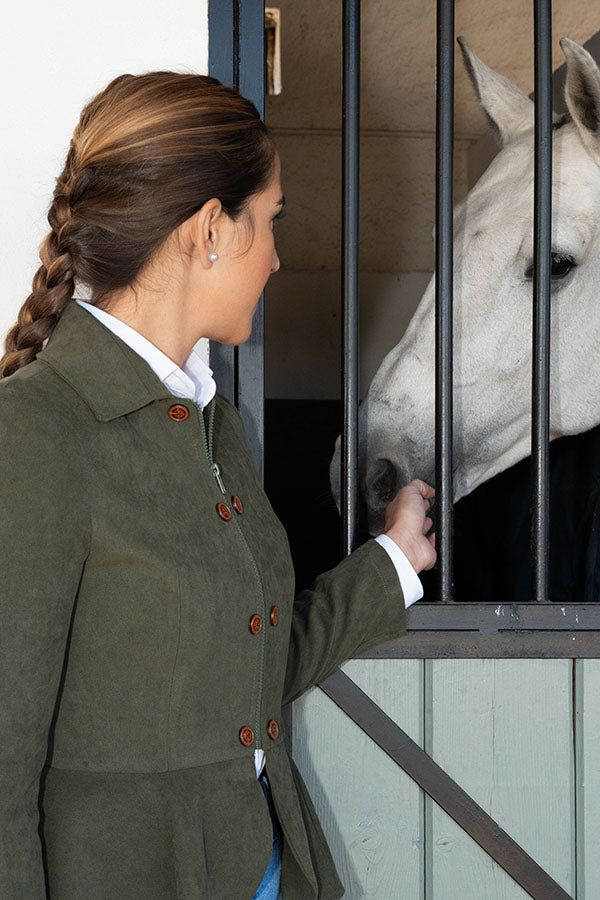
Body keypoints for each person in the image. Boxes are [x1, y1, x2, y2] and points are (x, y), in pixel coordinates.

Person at [0, 71, 436, 900]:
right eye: (269, 221)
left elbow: (246, 668)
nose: (276, 255)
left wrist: (391, 564)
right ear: (209, 229)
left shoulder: (214, 422)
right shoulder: (33, 432)